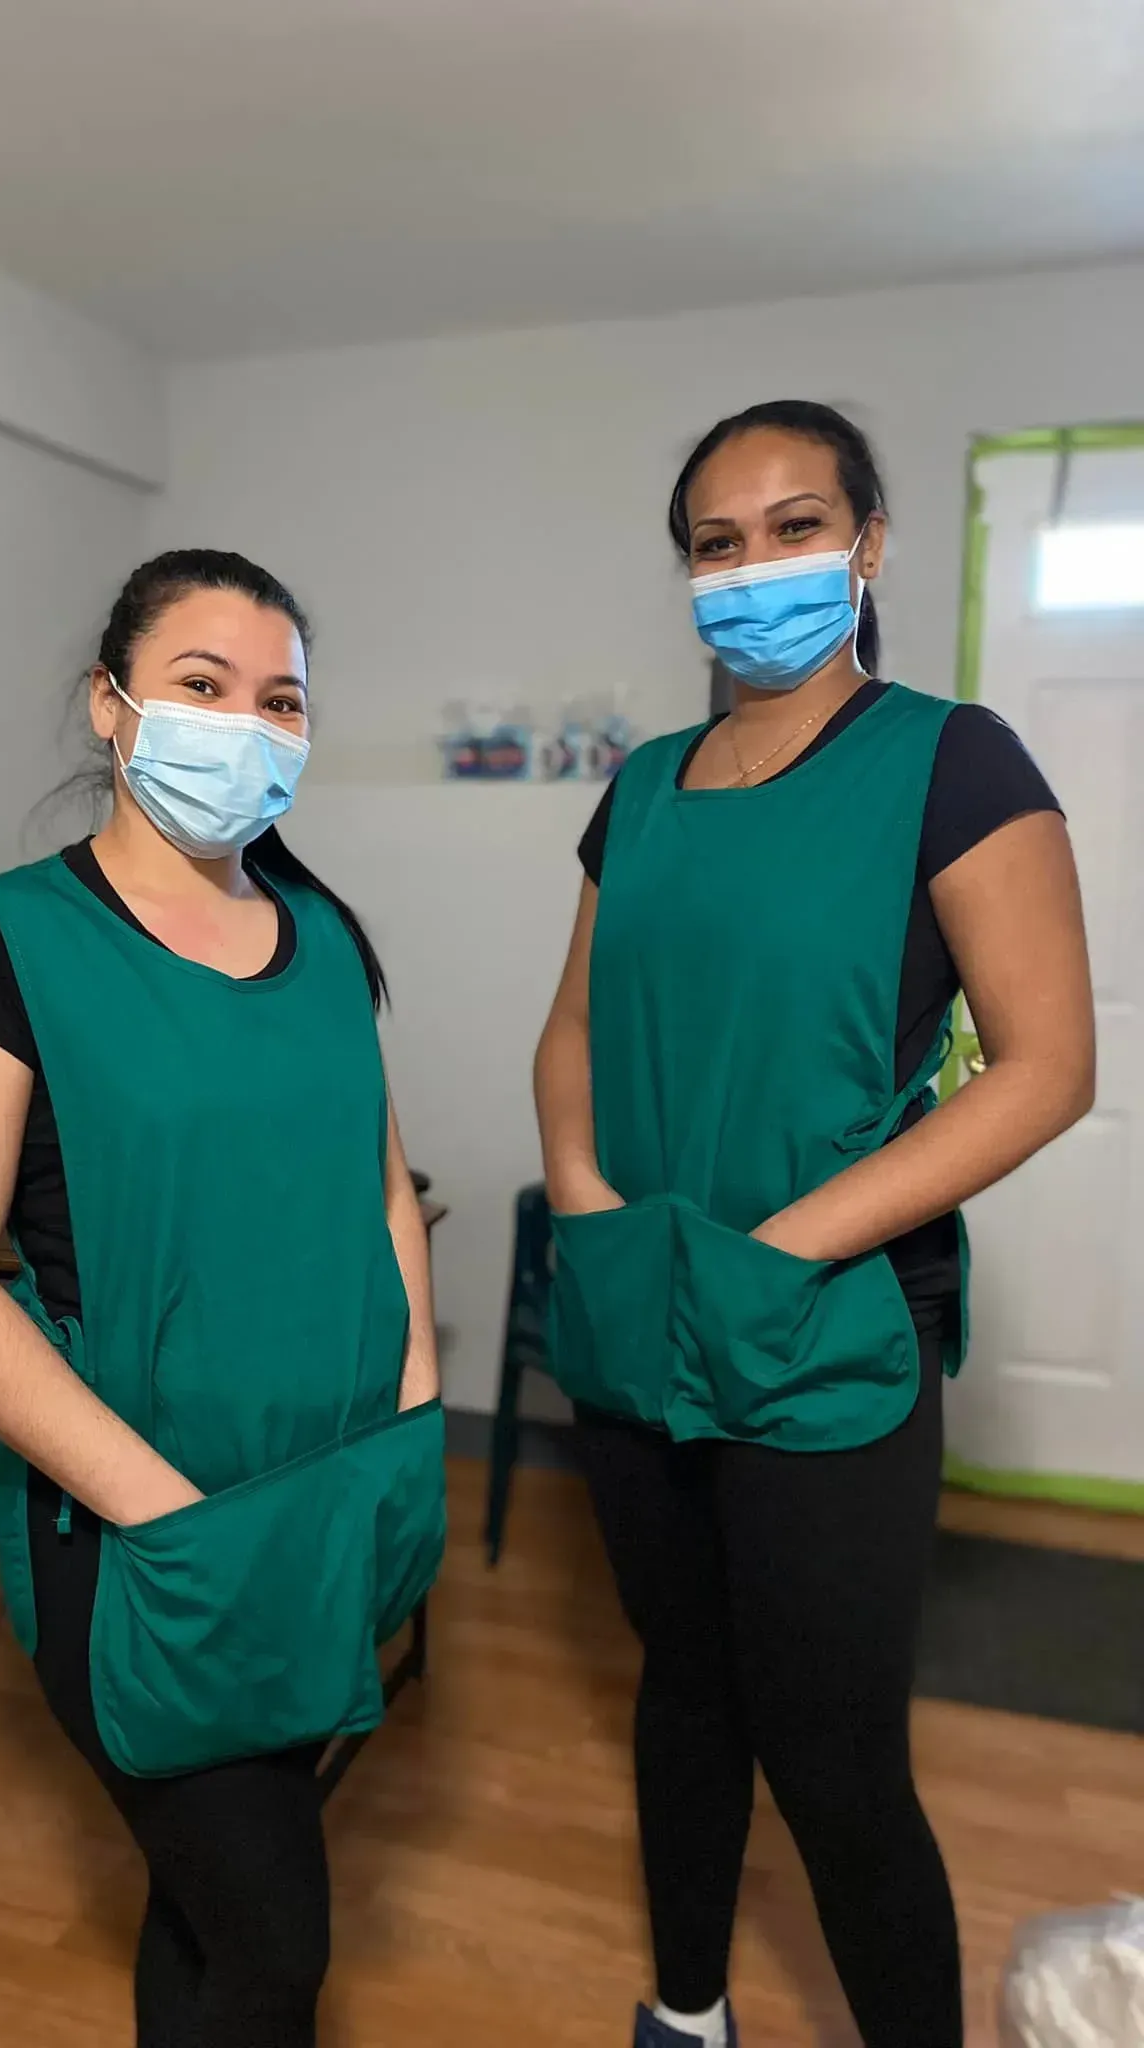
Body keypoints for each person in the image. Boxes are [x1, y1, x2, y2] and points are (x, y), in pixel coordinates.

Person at [534, 402, 1094, 2048]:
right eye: (718, 543)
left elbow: (1047, 1066)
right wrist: (585, 1201)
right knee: (684, 1687)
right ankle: (687, 2010)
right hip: (641, 1311)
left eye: (796, 527)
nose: (755, 566)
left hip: (827, 1325)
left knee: (835, 1756)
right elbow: (572, 1028)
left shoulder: (951, 761)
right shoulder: (640, 789)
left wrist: (782, 1250)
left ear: (869, 546)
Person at [0, 550, 447, 2048]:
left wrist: (414, 1403)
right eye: (203, 684)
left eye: (281, 700)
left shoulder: (323, 937)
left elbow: (382, 1185)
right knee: (277, 1945)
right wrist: (171, 1518)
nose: (245, 726)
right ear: (109, 703)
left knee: (199, 1911)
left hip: (335, 1503)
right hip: (152, 1537)